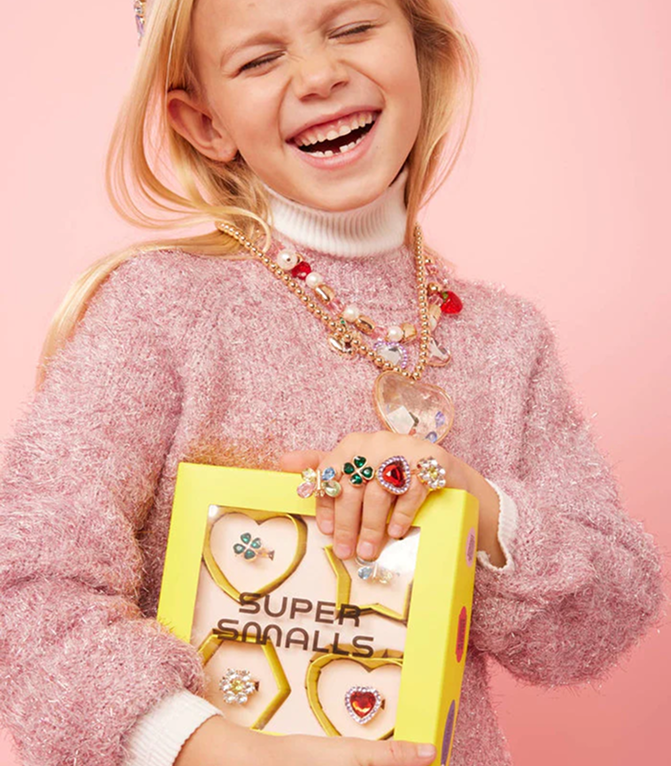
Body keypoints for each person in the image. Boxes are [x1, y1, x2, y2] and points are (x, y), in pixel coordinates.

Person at [0, 0, 663, 765]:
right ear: (204, 123)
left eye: (351, 29)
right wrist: (215, 749)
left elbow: (603, 619)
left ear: (422, 50)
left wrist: (472, 504)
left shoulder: (504, 338)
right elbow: (27, 586)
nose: (318, 75)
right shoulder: (159, 310)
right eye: (258, 60)